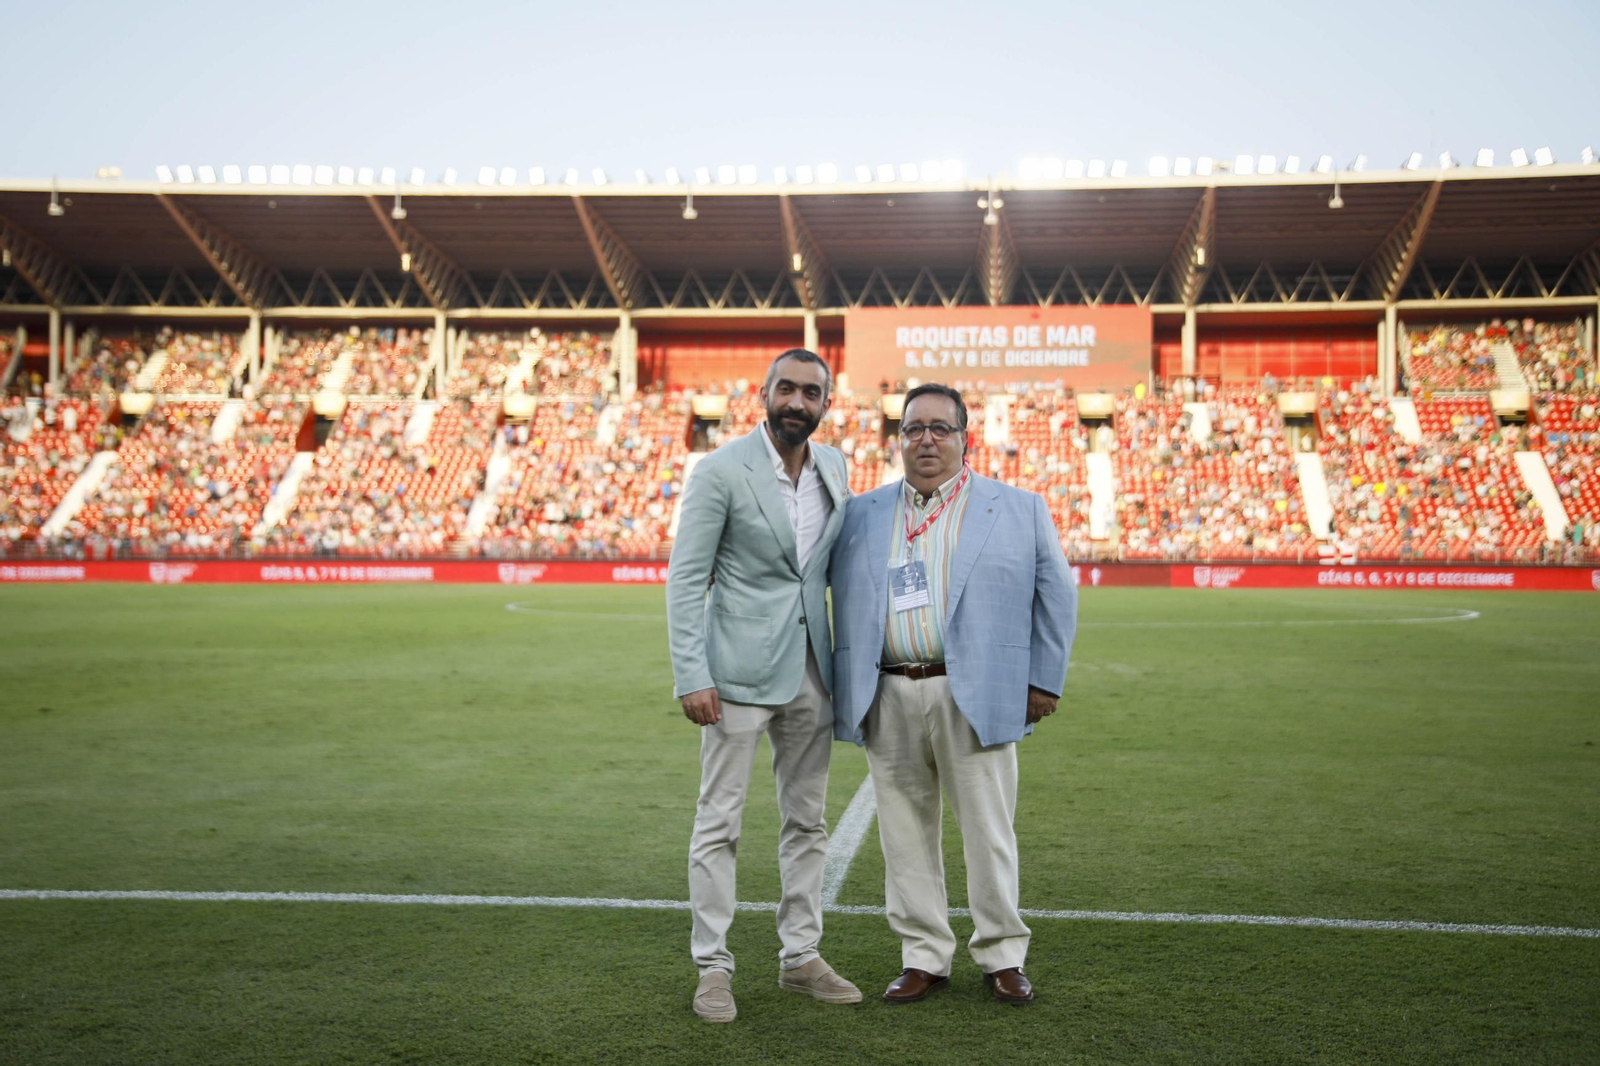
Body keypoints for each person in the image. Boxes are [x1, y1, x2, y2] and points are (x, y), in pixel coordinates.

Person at [828, 382, 1078, 1007]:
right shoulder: (862, 512)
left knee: (988, 829)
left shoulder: (1017, 507)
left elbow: (1058, 595)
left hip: (976, 690)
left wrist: (1044, 679)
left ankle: (1001, 954)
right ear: (899, 439)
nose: (926, 439)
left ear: (966, 439)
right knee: (904, 833)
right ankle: (924, 956)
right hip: (888, 689)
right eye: (914, 428)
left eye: (941, 428)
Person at [665, 349, 861, 1023]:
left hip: (813, 669)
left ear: (825, 403)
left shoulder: (835, 466)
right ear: (764, 393)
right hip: (735, 675)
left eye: (811, 391)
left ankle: (800, 958)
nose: (797, 401)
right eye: (787, 388)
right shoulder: (720, 471)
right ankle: (712, 967)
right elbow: (687, 581)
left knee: (808, 821)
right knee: (719, 822)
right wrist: (692, 674)